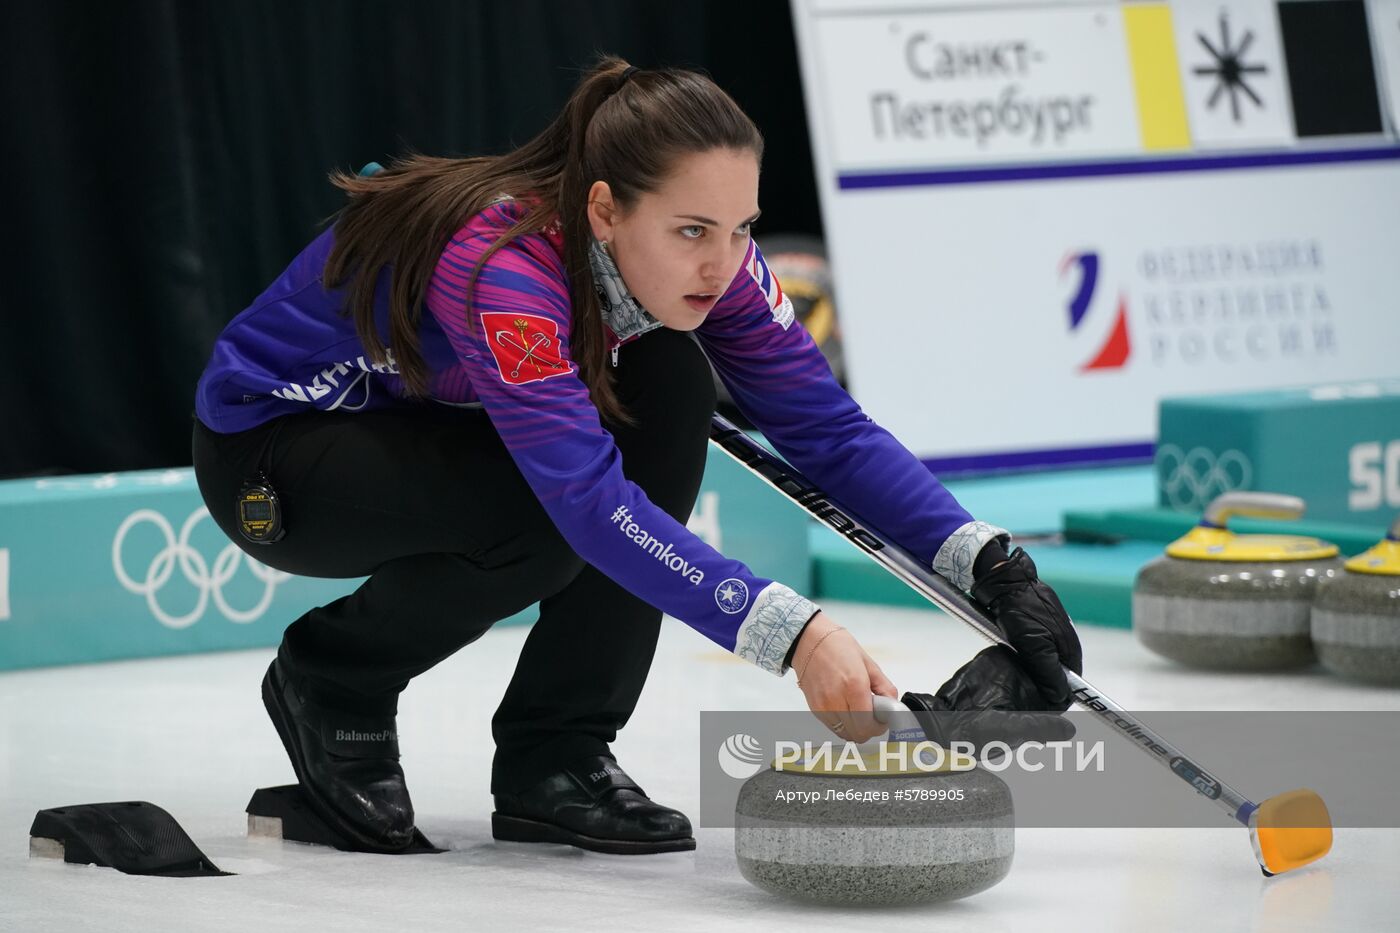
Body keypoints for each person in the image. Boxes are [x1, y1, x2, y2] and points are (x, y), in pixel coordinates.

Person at [191, 57, 1082, 857]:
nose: (725, 261)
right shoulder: (502, 268)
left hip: (434, 426)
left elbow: (828, 430)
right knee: (549, 509)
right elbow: (587, 500)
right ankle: (337, 680)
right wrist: (797, 635)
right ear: (606, 208)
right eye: (694, 231)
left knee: (671, 380)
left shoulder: (712, 262)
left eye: (743, 228)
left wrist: (991, 565)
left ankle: (558, 754)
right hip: (273, 456)